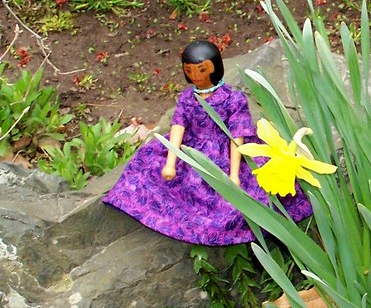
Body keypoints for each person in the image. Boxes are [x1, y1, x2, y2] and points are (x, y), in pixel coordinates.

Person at [103, 40, 311, 245]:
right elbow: (178, 126)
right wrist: (171, 161)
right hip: (192, 147)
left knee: (249, 193)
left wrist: (234, 174)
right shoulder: (187, 97)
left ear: (214, 68)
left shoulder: (233, 99)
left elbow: (237, 134)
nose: (195, 76)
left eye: (201, 70)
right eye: (190, 71)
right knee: (148, 164)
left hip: (226, 153)